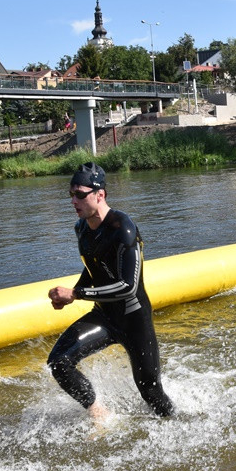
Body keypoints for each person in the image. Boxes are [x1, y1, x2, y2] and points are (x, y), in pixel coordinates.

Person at [47, 162, 174, 422]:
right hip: (104, 317)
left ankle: (177, 424)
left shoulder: (123, 229)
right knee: (59, 362)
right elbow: (93, 268)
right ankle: (98, 412)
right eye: (71, 194)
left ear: (100, 195)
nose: (74, 201)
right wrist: (72, 295)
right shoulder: (81, 228)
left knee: (150, 392)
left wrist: (75, 294)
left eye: (80, 195)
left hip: (134, 320)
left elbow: (128, 287)